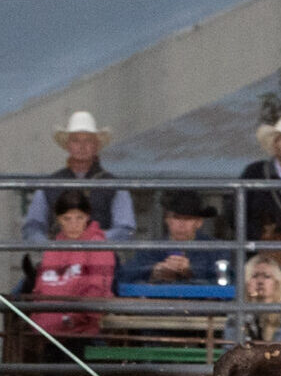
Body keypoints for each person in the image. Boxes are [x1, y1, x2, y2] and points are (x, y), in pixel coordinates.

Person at [21, 110, 136, 244]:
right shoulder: (48, 184)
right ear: (68, 145)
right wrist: (51, 247)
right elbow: (33, 227)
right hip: (59, 259)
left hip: (101, 259)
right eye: (75, 141)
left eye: (88, 140)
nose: (82, 146)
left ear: (96, 145)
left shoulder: (115, 186)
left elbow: (125, 229)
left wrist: (94, 241)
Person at [31, 188, 118, 336]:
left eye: (79, 218)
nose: (74, 224)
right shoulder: (52, 249)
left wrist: (73, 319)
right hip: (47, 329)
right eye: (67, 218)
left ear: (87, 217)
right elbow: (40, 289)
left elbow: (96, 289)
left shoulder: (97, 246)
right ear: (58, 219)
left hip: (79, 330)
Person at [120, 192, 235, 285]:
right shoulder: (150, 249)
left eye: (188, 219)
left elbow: (228, 282)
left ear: (199, 222)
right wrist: (153, 271)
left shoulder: (216, 250)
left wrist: (192, 271)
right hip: (158, 310)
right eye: (176, 218)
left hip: (202, 311)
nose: (181, 224)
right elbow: (124, 276)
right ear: (167, 220)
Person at [233, 257, 281, 344]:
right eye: (254, 276)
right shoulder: (236, 311)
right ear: (246, 282)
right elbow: (229, 350)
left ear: (277, 283)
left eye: (267, 276)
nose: (260, 281)